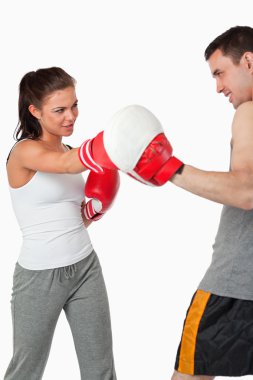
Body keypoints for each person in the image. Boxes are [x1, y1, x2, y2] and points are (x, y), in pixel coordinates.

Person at [74, 25, 253, 379]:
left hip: (236, 285)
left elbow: (246, 191)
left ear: (248, 61)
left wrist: (169, 169)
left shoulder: (248, 112)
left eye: (220, 72)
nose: (218, 86)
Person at [5, 67, 119, 380]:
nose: (71, 116)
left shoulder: (70, 149)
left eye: (74, 105)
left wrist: (93, 211)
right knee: (26, 371)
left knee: (101, 370)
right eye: (59, 110)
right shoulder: (25, 152)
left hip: (85, 267)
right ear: (35, 111)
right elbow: (66, 165)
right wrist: (118, 141)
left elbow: (73, 216)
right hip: (39, 277)